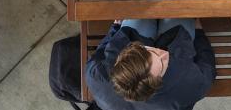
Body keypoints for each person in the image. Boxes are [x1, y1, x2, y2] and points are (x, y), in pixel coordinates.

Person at [86, 18, 215, 110]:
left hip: (133, 37)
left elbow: (101, 52)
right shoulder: (189, 87)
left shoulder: (97, 77)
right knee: (176, 1)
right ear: (158, 83)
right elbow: (207, 67)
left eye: (150, 51)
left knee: (141, 6)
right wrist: (199, 33)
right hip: (179, 42)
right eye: (163, 64)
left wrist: (114, 30)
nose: (164, 54)